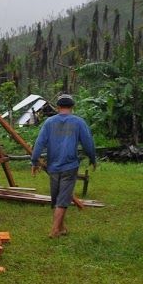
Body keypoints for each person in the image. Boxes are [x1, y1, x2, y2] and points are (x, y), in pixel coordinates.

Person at [31, 93, 97, 238]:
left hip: (53, 166)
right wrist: (92, 158)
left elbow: (39, 142)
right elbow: (88, 143)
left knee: (58, 197)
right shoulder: (78, 122)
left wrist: (34, 161)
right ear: (72, 107)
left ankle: (61, 228)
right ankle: (55, 230)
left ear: (58, 107)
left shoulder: (49, 123)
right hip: (69, 165)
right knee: (62, 199)